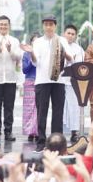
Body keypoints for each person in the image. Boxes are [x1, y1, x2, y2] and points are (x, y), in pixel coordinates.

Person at [20, 15, 72, 152]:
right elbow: (35, 62)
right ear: (43, 26)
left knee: (58, 112)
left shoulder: (62, 40)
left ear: (55, 26)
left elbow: (70, 59)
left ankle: (57, 142)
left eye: (51, 24)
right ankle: (41, 142)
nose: (48, 27)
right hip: (42, 81)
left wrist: (63, 51)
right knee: (41, 112)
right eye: (46, 24)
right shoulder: (37, 42)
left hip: (59, 80)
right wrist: (31, 53)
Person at [62, 24, 85, 142]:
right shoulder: (59, 46)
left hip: (72, 82)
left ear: (75, 36)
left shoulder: (79, 49)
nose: (70, 36)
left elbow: (81, 66)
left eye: (72, 34)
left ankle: (74, 132)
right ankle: (58, 131)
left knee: (73, 107)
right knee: (60, 107)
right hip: (59, 81)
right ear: (64, 34)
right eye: (68, 33)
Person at [22, 32, 39, 142]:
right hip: (29, 81)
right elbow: (24, 70)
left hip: (40, 82)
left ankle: (37, 132)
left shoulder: (43, 53)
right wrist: (32, 60)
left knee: (39, 108)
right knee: (29, 109)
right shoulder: (26, 54)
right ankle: (29, 132)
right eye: (34, 41)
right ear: (31, 42)